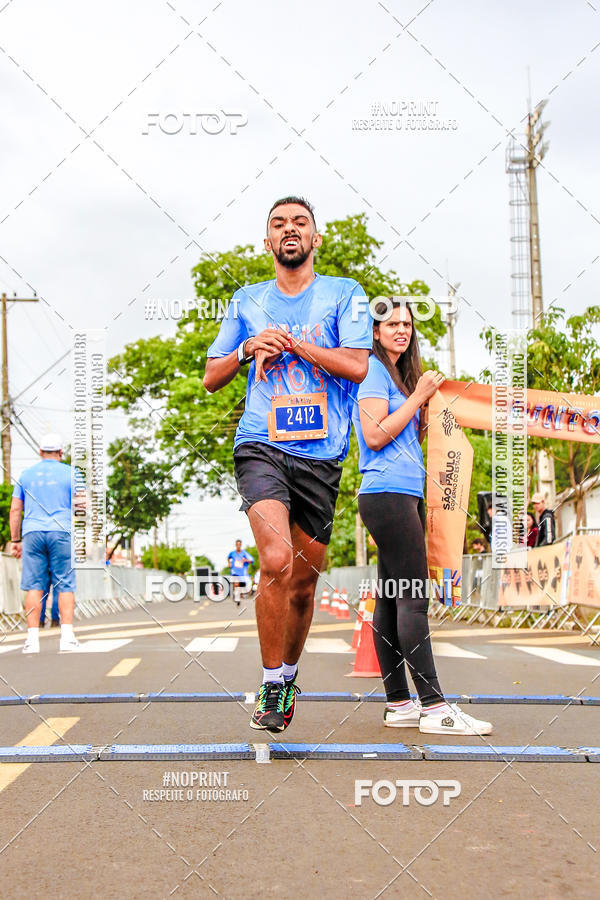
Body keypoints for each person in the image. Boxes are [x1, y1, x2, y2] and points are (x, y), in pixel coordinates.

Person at [203, 196, 371, 732]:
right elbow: (211, 375)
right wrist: (250, 347)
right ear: (268, 242)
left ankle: (290, 673)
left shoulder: (346, 295)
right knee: (275, 560)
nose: (290, 229)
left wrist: (297, 346)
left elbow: (358, 367)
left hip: (322, 454)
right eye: (279, 224)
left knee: (303, 583)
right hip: (261, 445)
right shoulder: (245, 300)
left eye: (300, 222)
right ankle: (271, 684)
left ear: (316, 238)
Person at [353, 299, 492, 735]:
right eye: (391, 323)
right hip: (387, 494)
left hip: (404, 494)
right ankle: (434, 709)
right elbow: (374, 435)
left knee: (394, 598)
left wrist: (427, 404)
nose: (401, 330)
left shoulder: (399, 375)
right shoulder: (372, 370)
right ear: (375, 332)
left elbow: (406, 430)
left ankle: (399, 704)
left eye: (407, 324)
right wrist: (418, 396)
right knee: (414, 597)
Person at [10, 433, 80, 653]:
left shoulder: (26, 475)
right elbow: (84, 506)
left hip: (32, 532)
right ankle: (67, 638)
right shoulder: (72, 473)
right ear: (61, 453)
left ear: (40, 452)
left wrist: (15, 540)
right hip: (61, 532)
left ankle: (32, 640)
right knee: (65, 584)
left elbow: (15, 510)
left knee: (33, 586)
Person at [227, 539, 254, 606]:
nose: (238, 546)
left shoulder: (244, 553)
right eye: (237, 545)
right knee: (236, 583)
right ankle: (237, 596)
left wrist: (245, 560)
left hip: (242, 573)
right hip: (234, 571)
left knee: (239, 586)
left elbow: (251, 560)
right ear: (236, 545)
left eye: (239, 545)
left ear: (241, 545)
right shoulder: (232, 553)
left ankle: (237, 595)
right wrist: (229, 563)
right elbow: (228, 558)